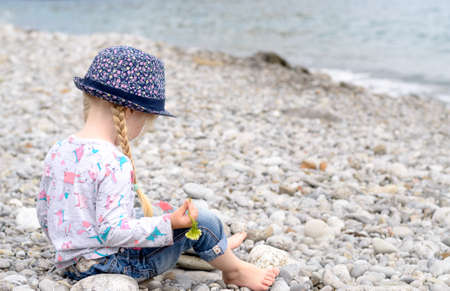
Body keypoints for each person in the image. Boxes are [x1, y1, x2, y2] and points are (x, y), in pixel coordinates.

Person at [36, 46, 279, 290]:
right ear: (130, 111)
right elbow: (114, 232)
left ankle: (212, 249)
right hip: (112, 265)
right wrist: (169, 224)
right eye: (146, 119)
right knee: (202, 221)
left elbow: (45, 213)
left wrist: (73, 247)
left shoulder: (60, 149)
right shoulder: (113, 162)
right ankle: (234, 269)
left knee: (156, 212)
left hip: (69, 263)